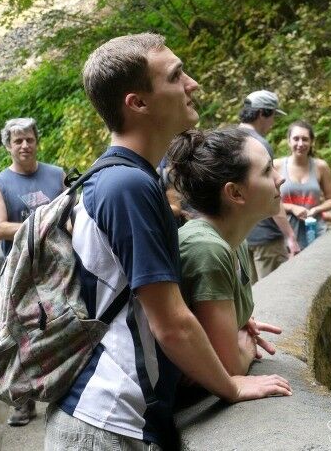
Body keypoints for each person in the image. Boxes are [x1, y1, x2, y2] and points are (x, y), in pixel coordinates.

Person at [46, 33, 291, 451]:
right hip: (104, 423)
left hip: (119, 417)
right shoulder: (127, 186)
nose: (192, 84)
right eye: (176, 76)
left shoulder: (124, 178)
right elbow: (171, 324)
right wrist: (230, 385)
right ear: (137, 103)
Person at [168, 128, 284, 376]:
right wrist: (247, 347)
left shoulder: (236, 241)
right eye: (266, 171)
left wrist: (241, 326)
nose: (279, 177)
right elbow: (229, 368)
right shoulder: (208, 249)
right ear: (235, 193)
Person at [0, 117, 65, 426]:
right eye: (17, 140)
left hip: (57, 266)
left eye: (29, 139)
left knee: (60, 325)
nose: (24, 145)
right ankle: (24, 400)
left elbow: (71, 211)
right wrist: (39, 227)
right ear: (8, 146)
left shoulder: (57, 175)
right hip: (19, 271)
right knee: (21, 333)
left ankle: (62, 388)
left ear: (37, 141)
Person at [238, 90, 301, 280]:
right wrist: (290, 235)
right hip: (267, 236)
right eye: (272, 115)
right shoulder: (259, 144)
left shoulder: (227, 139)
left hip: (241, 237)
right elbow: (272, 193)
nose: (273, 122)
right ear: (261, 113)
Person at [274, 120, 331, 249]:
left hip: (316, 230)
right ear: (289, 141)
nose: (300, 144)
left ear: (312, 142)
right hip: (286, 235)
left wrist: (316, 209)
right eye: (296, 139)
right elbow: (267, 201)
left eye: (305, 139)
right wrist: (292, 208)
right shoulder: (277, 166)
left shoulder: (321, 166)